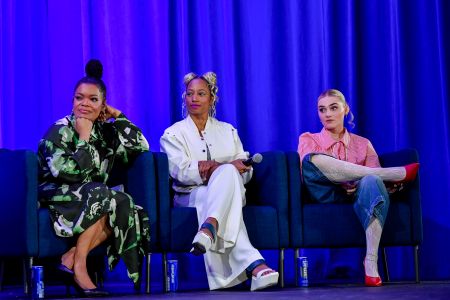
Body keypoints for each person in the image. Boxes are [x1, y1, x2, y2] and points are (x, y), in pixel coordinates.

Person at [37, 59, 150, 296]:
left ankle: (70, 257)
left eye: (93, 99)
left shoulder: (105, 132)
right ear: (72, 101)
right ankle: (80, 268)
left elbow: (141, 146)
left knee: (124, 202)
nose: (85, 104)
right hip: (58, 195)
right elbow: (66, 173)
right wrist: (84, 138)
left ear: (103, 106)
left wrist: (117, 115)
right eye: (79, 98)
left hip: (91, 195)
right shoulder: (59, 130)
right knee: (103, 194)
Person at [160, 72, 279, 291]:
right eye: (190, 94)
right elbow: (181, 172)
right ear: (184, 98)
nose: (194, 98)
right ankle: (255, 264)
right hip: (191, 195)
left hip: (231, 192)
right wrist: (224, 166)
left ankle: (209, 228)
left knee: (227, 174)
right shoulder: (173, 134)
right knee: (217, 183)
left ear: (212, 99)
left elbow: (246, 171)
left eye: (201, 94)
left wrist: (233, 169)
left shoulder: (228, 131)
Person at [297, 89, 419, 287]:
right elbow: (309, 172)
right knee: (312, 159)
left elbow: (375, 186)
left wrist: (359, 181)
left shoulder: (363, 144)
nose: (327, 114)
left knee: (371, 181)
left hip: (358, 196)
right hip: (324, 193)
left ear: (345, 110)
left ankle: (370, 261)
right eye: (322, 109)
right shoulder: (309, 138)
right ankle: (392, 173)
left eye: (333, 108)